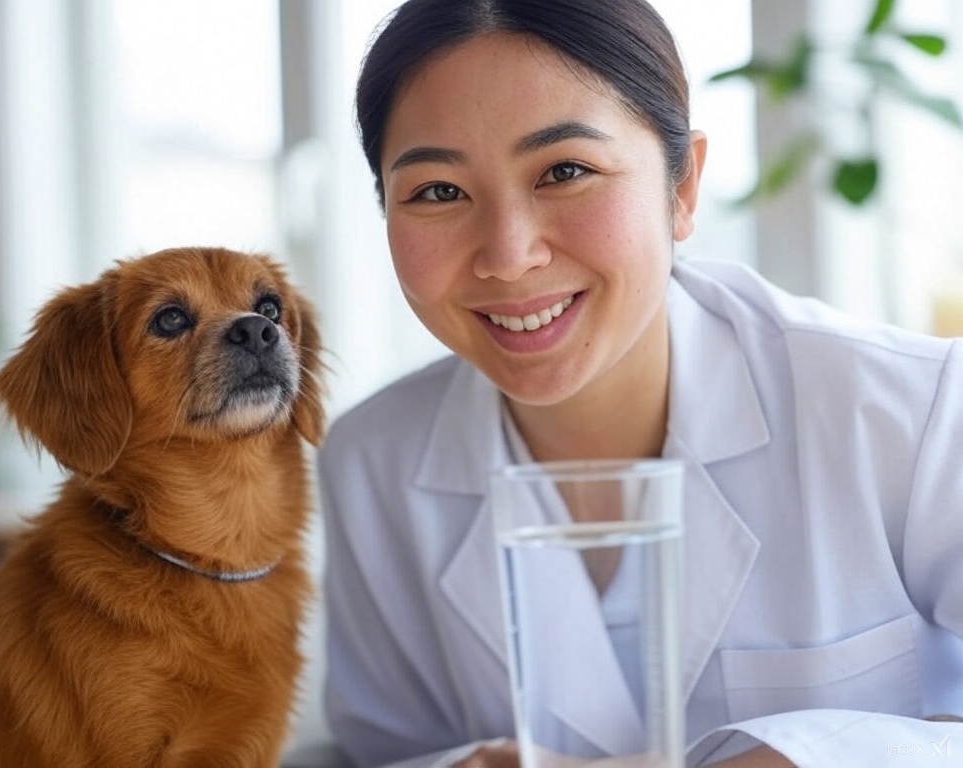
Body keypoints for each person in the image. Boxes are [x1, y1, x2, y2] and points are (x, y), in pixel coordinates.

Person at [317, 1, 963, 766]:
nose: (509, 254)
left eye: (565, 172)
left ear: (682, 188)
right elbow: (381, 752)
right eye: (438, 191)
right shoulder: (370, 463)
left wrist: (813, 755)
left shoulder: (912, 413)